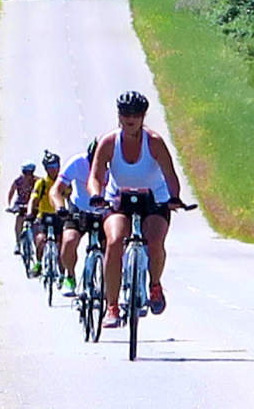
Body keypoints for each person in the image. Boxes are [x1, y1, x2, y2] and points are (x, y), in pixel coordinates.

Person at [89, 90, 184, 329]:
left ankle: (155, 284)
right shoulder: (109, 142)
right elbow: (96, 176)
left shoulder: (154, 142)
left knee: (155, 241)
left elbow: (170, 175)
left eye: (136, 114)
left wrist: (174, 197)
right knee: (113, 241)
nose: (130, 118)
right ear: (119, 116)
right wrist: (95, 195)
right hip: (119, 197)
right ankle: (112, 307)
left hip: (154, 198)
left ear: (143, 117)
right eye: (125, 114)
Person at [50, 138, 101, 297]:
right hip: (79, 208)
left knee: (113, 246)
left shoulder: (114, 164)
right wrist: (60, 207)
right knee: (69, 241)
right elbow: (55, 190)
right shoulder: (77, 163)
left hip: (103, 211)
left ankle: (110, 286)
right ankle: (70, 276)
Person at [28, 152, 63, 276]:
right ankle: (38, 264)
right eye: (50, 166)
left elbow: (71, 197)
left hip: (59, 216)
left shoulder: (62, 182)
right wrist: (29, 213)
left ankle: (63, 274)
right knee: (40, 239)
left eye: (55, 165)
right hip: (44, 216)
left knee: (61, 246)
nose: (53, 169)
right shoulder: (41, 183)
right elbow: (33, 199)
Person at [4, 163, 37, 254]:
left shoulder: (37, 181)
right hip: (20, 203)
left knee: (36, 223)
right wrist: (10, 205)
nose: (27, 175)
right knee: (19, 220)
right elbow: (11, 191)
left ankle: (36, 244)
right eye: (25, 172)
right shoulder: (18, 181)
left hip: (32, 204)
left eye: (29, 173)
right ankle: (18, 243)